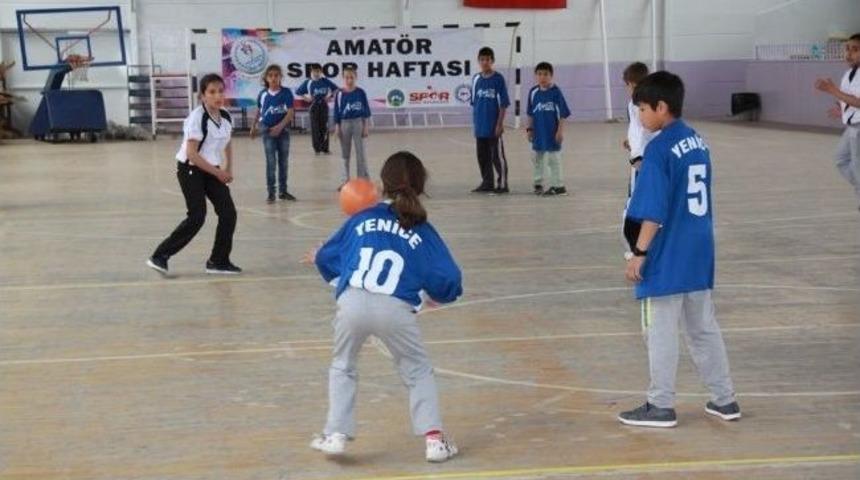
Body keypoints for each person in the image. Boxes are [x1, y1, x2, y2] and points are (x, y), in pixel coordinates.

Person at [304, 151, 462, 462]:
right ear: (420, 186)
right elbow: (449, 279)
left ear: (382, 185)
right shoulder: (421, 228)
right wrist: (434, 298)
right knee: (417, 371)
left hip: (351, 304)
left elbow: (327, 257)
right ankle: (434, 441)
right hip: (395, 308)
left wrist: (322, 263)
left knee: (343, 365)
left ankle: (335, 435)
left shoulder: (361, 217)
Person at [618, 71, 739, 428]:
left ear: (661, 107)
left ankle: (660, 404)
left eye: (642, 109)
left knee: (660, 329)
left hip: (667, 253)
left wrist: (639, 253)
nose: (639, 116)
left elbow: (652, 210)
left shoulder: (659, 149)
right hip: (698, 249)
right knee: (703, 327)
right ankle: (725, 399)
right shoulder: (697, 140)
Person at [147, 73, 241, 276]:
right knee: (197, 216)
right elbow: (192, 154)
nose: (217, 96)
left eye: (220, 91)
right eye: (212, 92)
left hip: (212, 169)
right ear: (203, 96)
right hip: (191, 169)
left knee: (228, 213)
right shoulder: (197, 118)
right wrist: (218, 172)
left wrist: (228, 168)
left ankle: (218, 260)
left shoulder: (225, 116)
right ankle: (160, 256)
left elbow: (228, 142)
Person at [815, 33, 860, 211]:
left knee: (857, 164)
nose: (849, 54)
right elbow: (847, 98)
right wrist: (840, 108)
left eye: (855, 50)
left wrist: (832, 90)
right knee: (841, 159)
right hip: (851, 126)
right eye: (847, 49)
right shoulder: (849, 73)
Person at [621, 62, 657, 256]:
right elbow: (638, 130)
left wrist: (637, 154)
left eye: (631, 86)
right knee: (640, 203)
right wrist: (631, 142)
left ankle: (638, 249)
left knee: (635, 206)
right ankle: (638, 246)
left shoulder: (643, 104)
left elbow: (645, 132)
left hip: (643, 161)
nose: (631, 90)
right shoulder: (635, 105)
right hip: (641, 159)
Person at [251, 64, 296, 203]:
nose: (274, 78)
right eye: (270, 75)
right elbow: (259, 110)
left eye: (276, 75)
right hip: (267, 130)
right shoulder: (263, 94)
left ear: (281, 77)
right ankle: (271, 193)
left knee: (284, 162)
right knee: (271, 162)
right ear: (266, 78)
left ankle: (283, 191)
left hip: (283, 131)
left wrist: (280, 127)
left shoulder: (286, 93)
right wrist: (253, 126)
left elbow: (290, 112)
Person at [526, 61, 571, 196]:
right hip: (538, 131)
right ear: (536, 76)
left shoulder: (556, 92)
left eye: (546, 74)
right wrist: (529, 129)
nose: (542, 77)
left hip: (552, 132)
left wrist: (560, 131)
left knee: (553, 159)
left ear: (551, 76)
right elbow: (530, 113)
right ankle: (538, 183)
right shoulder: (533, 92)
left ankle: (558, 186)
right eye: (539, 74)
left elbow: (562, 114)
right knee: (536, 157)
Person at [470, 46, 510, 194]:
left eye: (487, 59)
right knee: (482, 157)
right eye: (482, 59)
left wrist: (499, 124)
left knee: (497, 157)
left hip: (494, 127)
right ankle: (487, 183)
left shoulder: (498, 79)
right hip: (480, 127)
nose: (485, 62)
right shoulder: (476, 79)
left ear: (492, 61)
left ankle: (503, 184)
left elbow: (503, 104)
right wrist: (476, 124)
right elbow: (474, 103)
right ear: (478, 61)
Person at [333, 66, 371, 188]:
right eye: (347, 78)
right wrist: (337, 127)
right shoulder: (339, 94)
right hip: (344, 123)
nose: (349, 80)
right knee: (345, 153)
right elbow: (336, 111)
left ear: (356, 77)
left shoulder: (361, 92)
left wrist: (365, 126)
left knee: (361, 152)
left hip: (358, 122)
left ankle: (362, 180)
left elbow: (366, 110)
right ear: (343, 78)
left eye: (352, 77)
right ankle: (345, 180)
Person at [296, 63, 338, 155]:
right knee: (315, 128)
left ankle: (325, 148)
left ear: (321, 72)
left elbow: (336, 89)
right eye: (314, 71)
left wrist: (330, 97)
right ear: (311, 72)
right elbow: (298, 92)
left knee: (325, 127)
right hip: (314, 106)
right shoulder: (308, 82)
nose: (316, 73)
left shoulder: (325, 81)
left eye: (318, 71)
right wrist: (307, 98)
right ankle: (317, 149)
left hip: (323, 106)